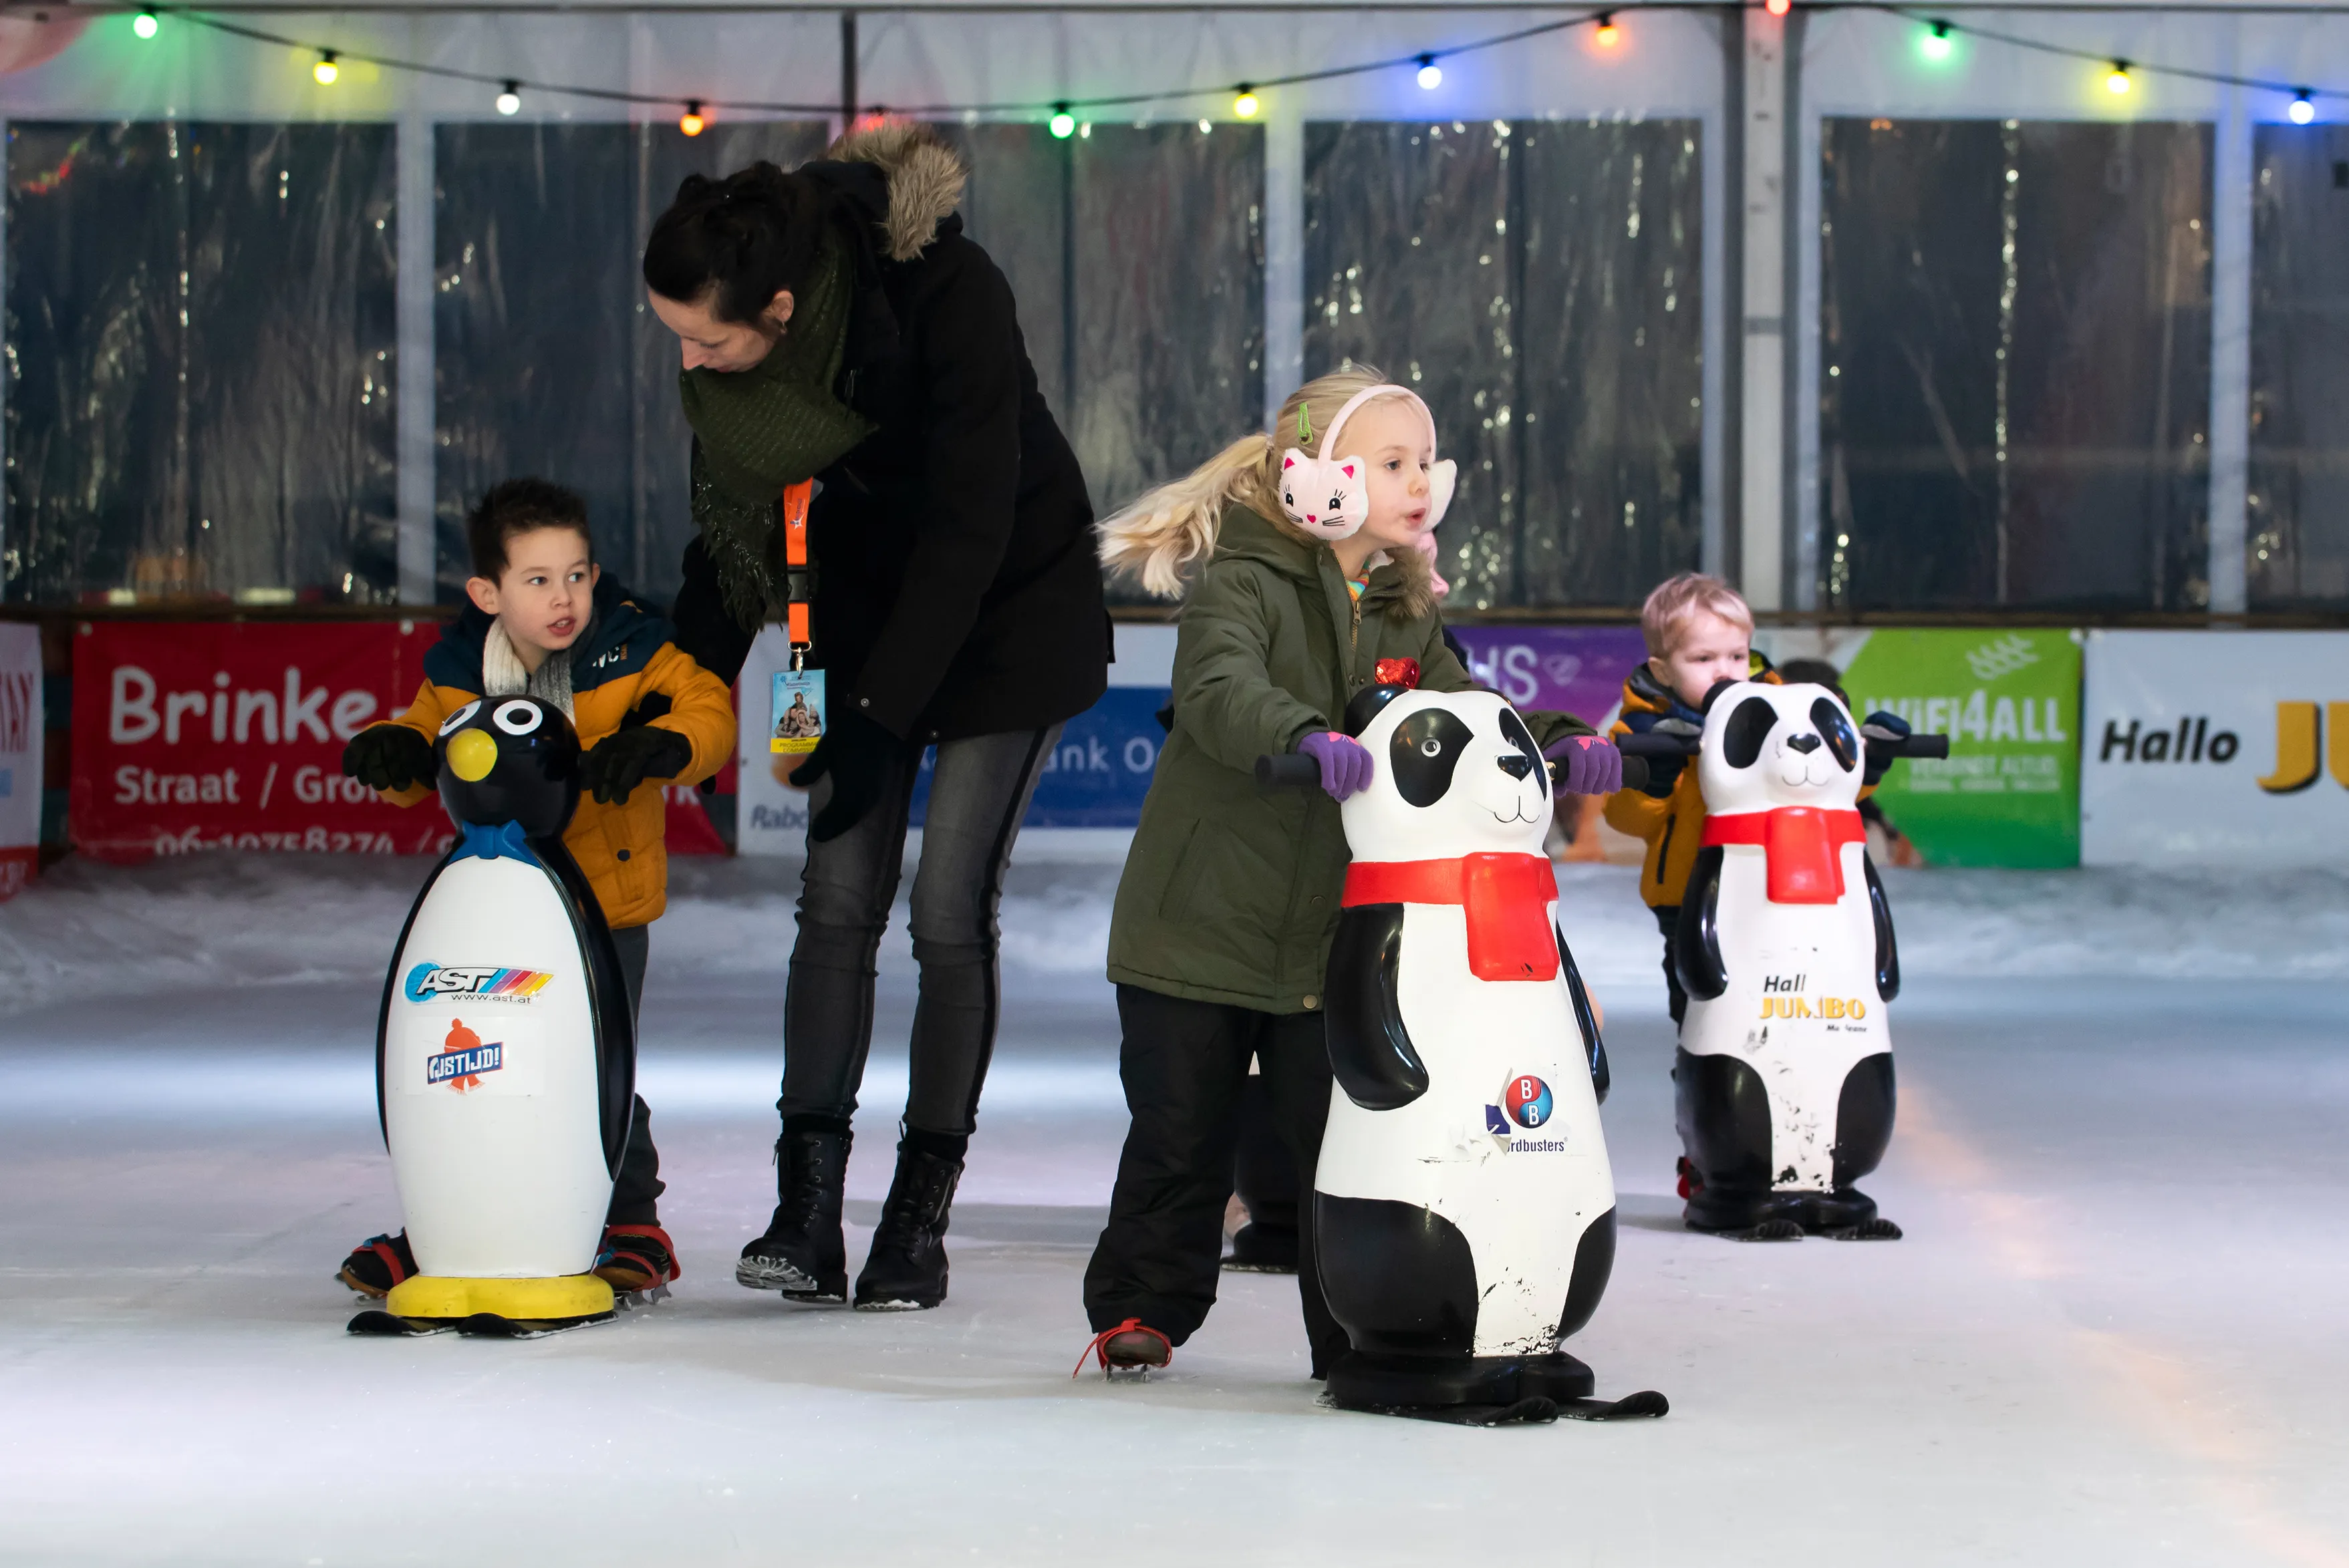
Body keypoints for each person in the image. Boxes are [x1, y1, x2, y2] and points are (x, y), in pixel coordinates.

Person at [640, 125, 1109, 1311]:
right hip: (858, 609)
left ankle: (915, 1215)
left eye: (706, 339)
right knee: (837, 895)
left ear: (780, 308)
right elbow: (731, 537)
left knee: (947, 907)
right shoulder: (751, 360)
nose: (690, 360)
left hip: (1005, 606)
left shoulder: (949, 293)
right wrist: (669, 693)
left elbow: (967, 527)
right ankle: (806, 1210)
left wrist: (874, 716)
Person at [1075, 365, 1623, 1377]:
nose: (1419, 482)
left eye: (1426, 462)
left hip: (1324, 941)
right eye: (1392, 462)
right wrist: (1298, 732)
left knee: (1338, 1140)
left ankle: (1359, 1327)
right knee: (1180, 1131)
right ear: (1317, 476)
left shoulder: (1403, 606)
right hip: (1195, 925)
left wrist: (1554, 737)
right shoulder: (1242, 580)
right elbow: (1217, 686)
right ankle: (1139, 1306)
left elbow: (1462, 710)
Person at [333, 479, 737, 1299]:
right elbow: (422, 733)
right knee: (472, 1063)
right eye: (539, 580)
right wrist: (393, 751)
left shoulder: (633, 650)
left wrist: (664, 745)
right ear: (489, 593)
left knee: (587, 1063)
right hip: (498, 909)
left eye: (577, 575)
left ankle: (632, 1222)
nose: (565, 598)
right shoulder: (459, 671)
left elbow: (708, 710)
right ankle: (451, 1222)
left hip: (602, 910)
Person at [1603, 574, 1776, 1030]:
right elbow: (1626, 819)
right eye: (1703, 658)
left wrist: (1866, 766)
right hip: (1686, 894)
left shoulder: (1777, 712)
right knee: (1700, 1003)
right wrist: (1653, 779)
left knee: (1773, 993)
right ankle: (1699, 1058)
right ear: (1663, 672)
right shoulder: (1641, 729)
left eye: (1737, 656)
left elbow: (1829, 789)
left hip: (1768, 885)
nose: (1725, 671)